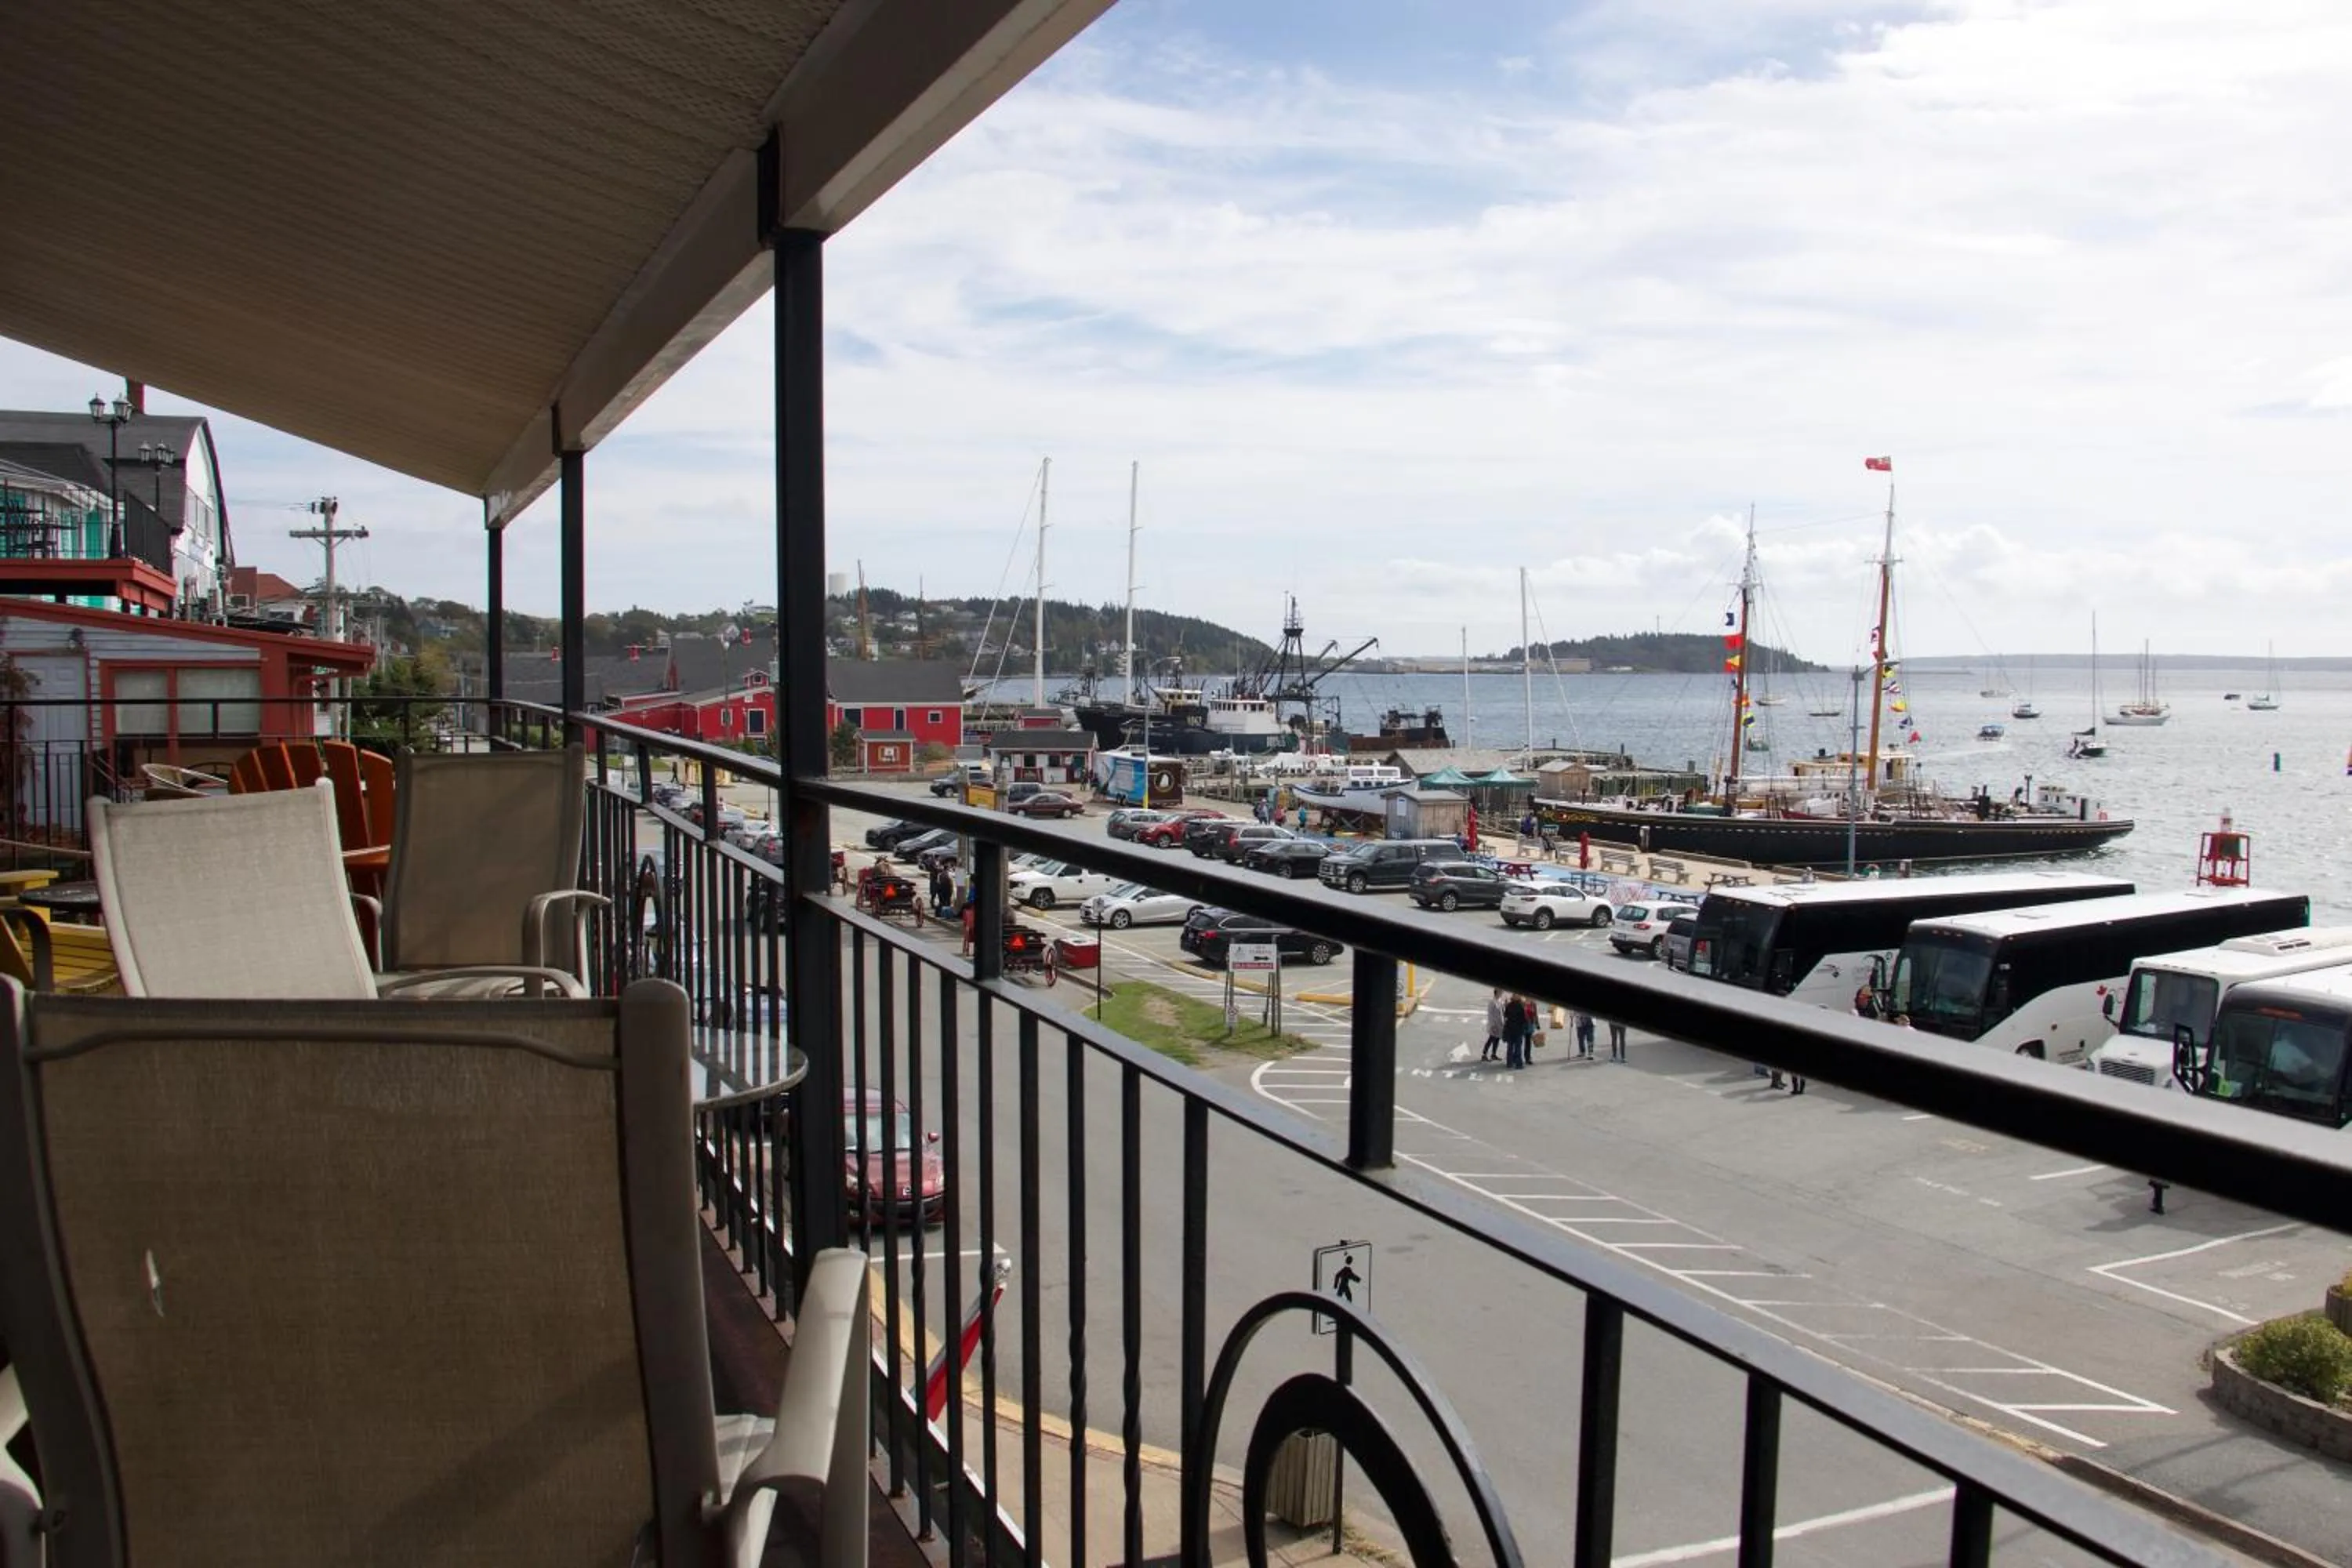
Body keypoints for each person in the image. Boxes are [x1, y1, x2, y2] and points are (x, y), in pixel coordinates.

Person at [1502, 994, 1530, 1069]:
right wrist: (1526, 1027)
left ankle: (1509, 1063)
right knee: (1518, 1048)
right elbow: (1525, 1019)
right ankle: (1518, 1064)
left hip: (1510, 1029)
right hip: (1518, 1030)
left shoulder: (1509, 1005)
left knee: (1510, 1047)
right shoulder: (1521, 1006)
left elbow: (1505, 1015)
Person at [1481, 989, 1506, 1062]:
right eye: (1501, 992)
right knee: (1491, 1039)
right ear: (1497, 993)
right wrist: (1492, 1026)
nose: (1502, 993)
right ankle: (1484, 1054)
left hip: (1500, 1025)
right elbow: (1490, 1015)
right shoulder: (1492, 1002)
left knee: (1497, 1039)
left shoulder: (1500, 1001)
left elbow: (1502, 1013)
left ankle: (1493, 1054)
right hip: (1494, 1025)